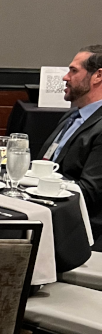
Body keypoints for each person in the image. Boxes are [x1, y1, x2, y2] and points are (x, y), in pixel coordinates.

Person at [44, 46, 102, 242]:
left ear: (98, 76)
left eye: (73, 71)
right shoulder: (72, 116)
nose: (65, 77)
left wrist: (38, 186)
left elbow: (90, 192)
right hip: (51, 212)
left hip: (79, 231)